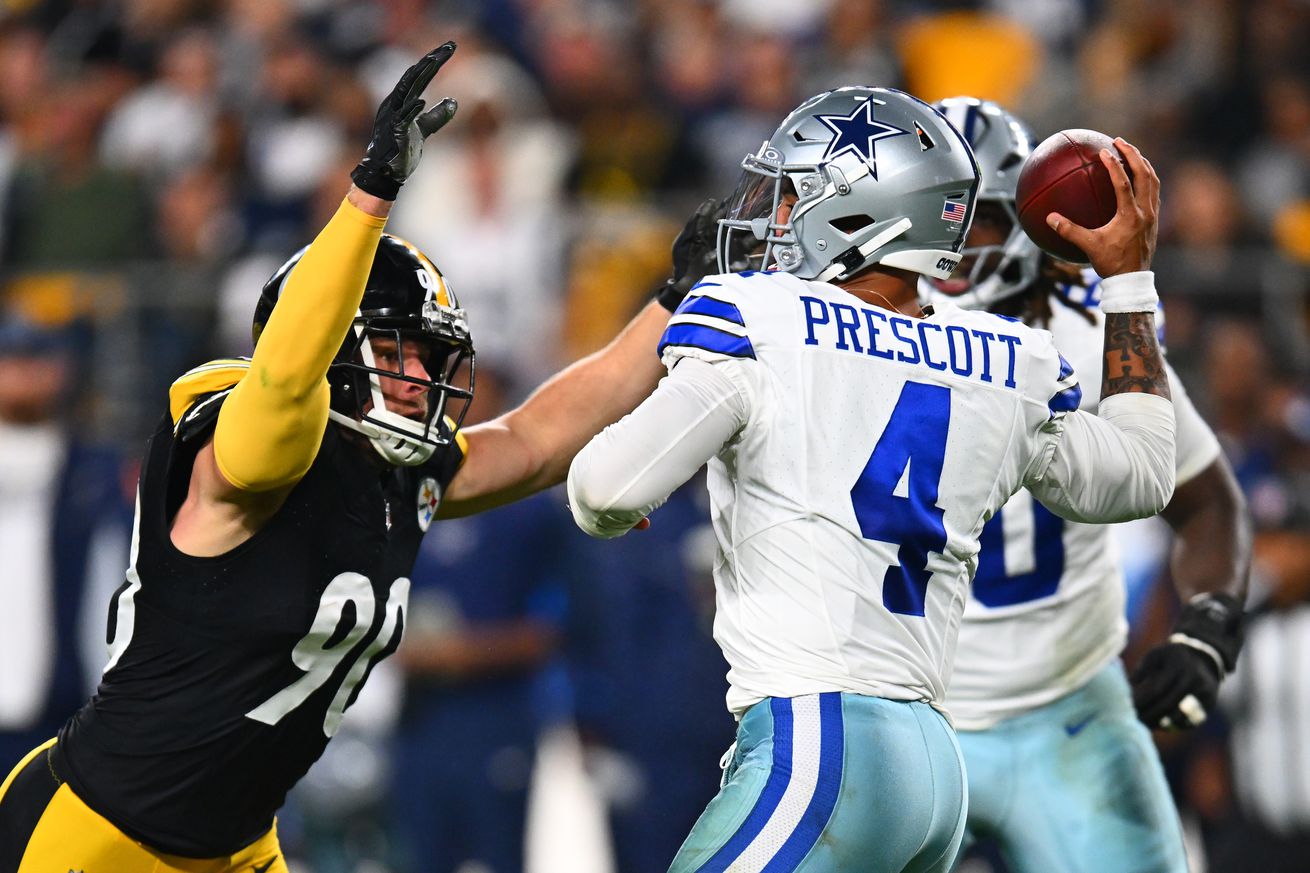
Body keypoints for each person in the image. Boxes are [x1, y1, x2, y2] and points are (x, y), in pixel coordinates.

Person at [0, 41, 685, 873]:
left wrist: (679, 298)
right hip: (102, 837)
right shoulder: (244, 442)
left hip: (241, 848)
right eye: (398, 350)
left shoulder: (397, 472)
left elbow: (541, 438)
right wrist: (369, 197)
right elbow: (285, 384)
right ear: (333, 342)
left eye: (430, 357)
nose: (423, 375)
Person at [567, 86, 1177, 873]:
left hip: (821, 743)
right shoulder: (1003, 360)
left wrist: (629, 498)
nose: (774, 219)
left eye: (794, 197)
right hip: (933, 762)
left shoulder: (764, 321)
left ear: (860, 214)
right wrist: (1127, 279)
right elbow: (1139, 475)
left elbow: (600, 489)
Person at [922, 96, 1250, 873]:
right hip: (906, 713)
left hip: (1069, 701)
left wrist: (1206, 622)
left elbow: (1207, 501)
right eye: (940, 218)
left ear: (1034, 221)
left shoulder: (1090, 329)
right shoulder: (847, 333)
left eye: (982, 218)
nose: (959, 243)